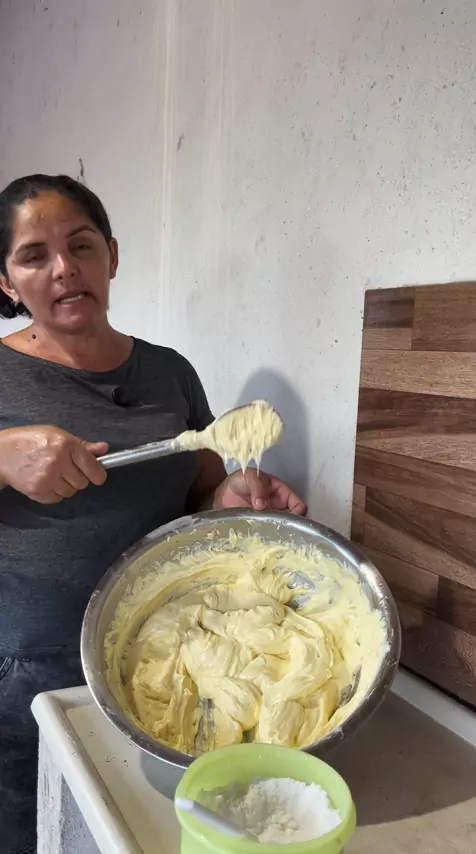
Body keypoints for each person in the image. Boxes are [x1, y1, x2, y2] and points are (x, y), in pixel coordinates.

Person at [0, 174, 306, 853]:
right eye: (34, 255)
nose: (64, 267)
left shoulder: (171, 372)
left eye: (81, 245)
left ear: (111, 256)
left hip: (161, 656)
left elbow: (199, 496)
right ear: (6, 282)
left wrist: (231, 498)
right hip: (26, 667)